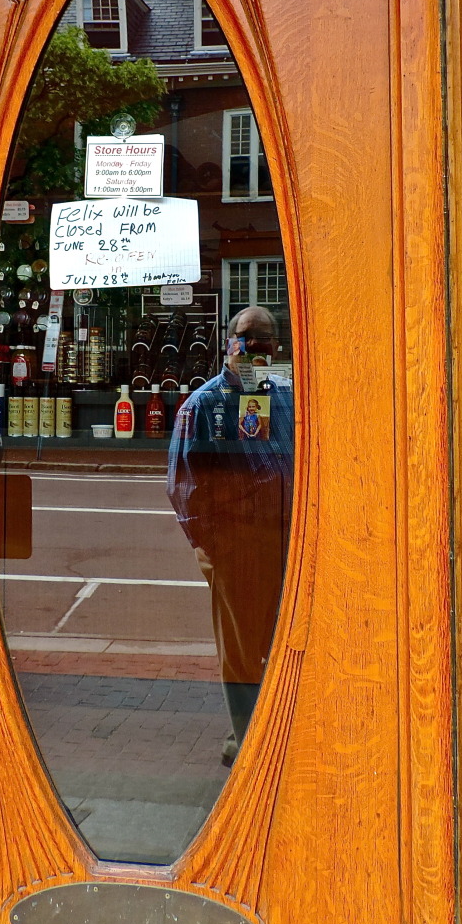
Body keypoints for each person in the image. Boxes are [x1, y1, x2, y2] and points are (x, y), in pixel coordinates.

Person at [166, 305, 294, 763]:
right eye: (247, 336)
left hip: (286, 540)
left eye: (266, 339)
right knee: (240, 647)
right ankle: (246, 737)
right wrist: (214, 546)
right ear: (229, 341)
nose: (256, 347)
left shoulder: (289, 397)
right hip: (233, 544)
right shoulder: (201, 404)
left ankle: (279, 725)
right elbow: (183, 485)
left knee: (283, 638)